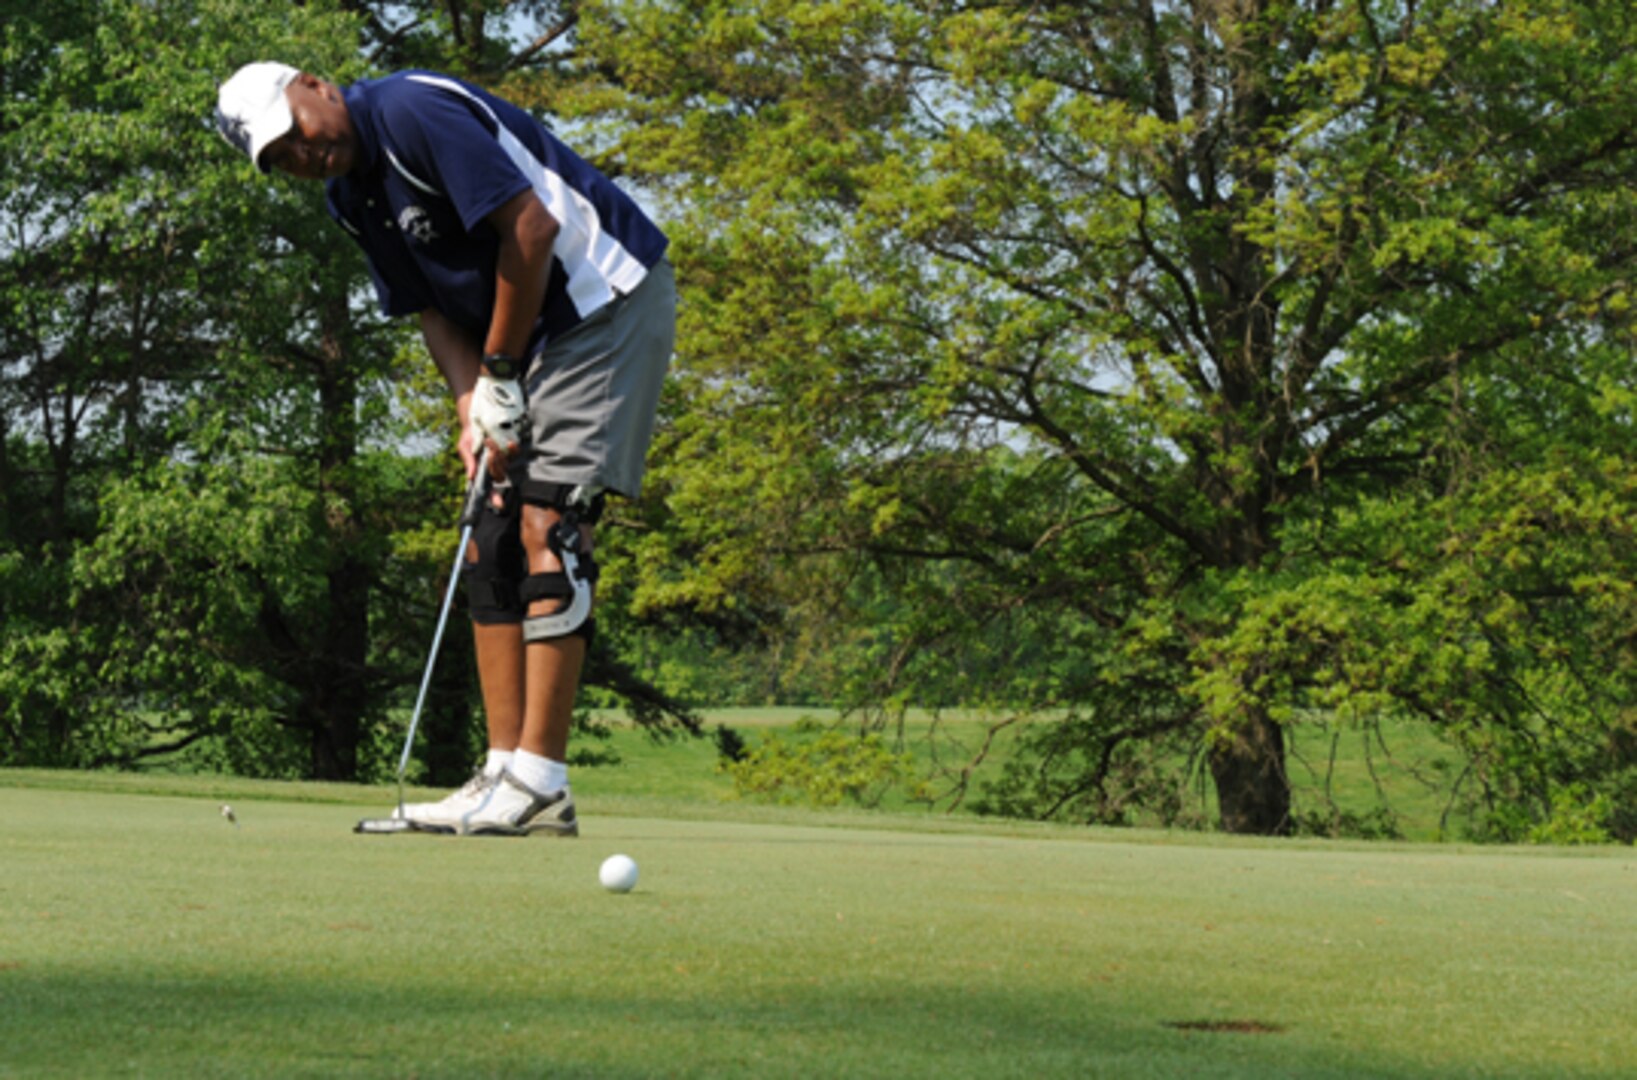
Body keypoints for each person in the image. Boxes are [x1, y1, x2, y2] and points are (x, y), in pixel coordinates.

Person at [215, 62, 674, 836]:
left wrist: (498, 373)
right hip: (520, 343)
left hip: (602, 306)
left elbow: (531, 229)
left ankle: (542, 781)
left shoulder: (407, 110)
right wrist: (471, 407)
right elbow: (430, 308)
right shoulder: (348, 196)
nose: (300, 154)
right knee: (491, 522)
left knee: (549, 523)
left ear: (318, 87)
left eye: (294, 133)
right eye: (279, 158)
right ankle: (500, 772)